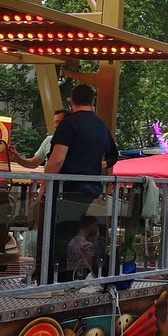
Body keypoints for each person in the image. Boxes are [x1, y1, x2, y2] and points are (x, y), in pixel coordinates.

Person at [44, 85, 118, 282]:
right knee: (83, 234)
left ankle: (57, 279)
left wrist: (45, 184)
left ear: (72, 101)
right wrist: (94, 163)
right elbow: (113, 156)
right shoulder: (102, 126)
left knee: (61, 235)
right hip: (92, 189)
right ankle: (81, 275)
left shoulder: (69, 124)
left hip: (66, 190)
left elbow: (57, 159)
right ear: (92, 101)